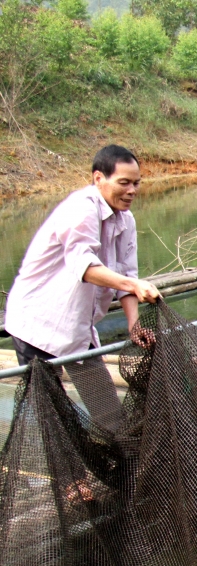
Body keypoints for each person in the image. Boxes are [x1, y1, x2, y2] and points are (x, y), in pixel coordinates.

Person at [5, 144, 159, 432]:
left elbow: (127, 272)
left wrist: (134, 324)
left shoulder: (126, 219)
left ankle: (124, 460)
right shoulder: (81, 208)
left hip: (77, 328)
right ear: (99, 178)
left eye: (137, 183)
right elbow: (84, 266)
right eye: (123, 182)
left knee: (108, 411)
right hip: (37, 323)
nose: (132, 191)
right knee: (50, 413)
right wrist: (133, 284)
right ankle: (69, 479)